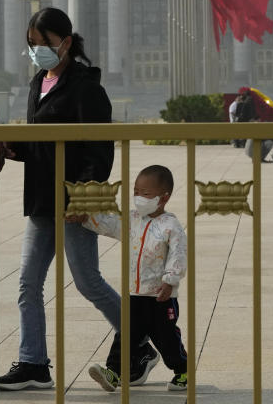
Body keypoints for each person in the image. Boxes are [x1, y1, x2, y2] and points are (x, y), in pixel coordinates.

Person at [0, 7, 156, 391]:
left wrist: (82, 197)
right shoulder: (38, 83)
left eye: (44, 44)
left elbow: (99, 151)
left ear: (65, 43)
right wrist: (10, 146)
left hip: (72, 204)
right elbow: (42, 140)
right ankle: (34, 362)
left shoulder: (86, 87)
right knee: (28, 283)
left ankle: (140, 342)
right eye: (32, 44)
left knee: (87, 282)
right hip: (40, 200)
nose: (37, 51)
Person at [83, 165, 188, 392]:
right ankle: (113, 372)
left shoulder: (171, 226)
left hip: (160, 296)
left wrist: (170, 280)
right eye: (136, 191)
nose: (139, 197)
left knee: (166, 338)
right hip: (135, 293)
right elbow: (109, 225)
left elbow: (178, 254)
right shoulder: (133, 220)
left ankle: (184, 369)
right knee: (125, 335)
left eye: (146, 194)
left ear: (164, 197)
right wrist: (86, 218)